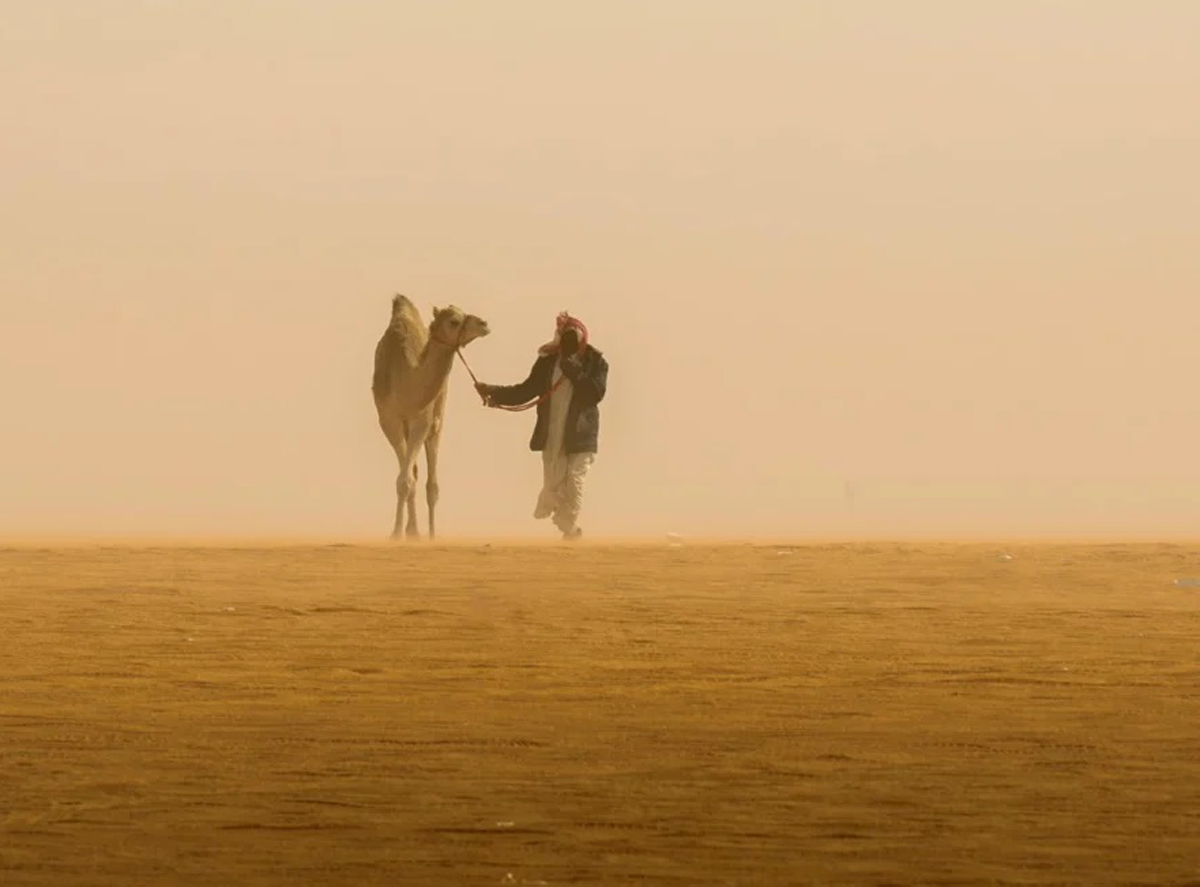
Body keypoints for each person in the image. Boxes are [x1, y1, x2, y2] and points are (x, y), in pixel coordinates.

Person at [476, 312, 608, 541]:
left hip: (580, 435)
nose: (568, 343)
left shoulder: (595, 361)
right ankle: (570, 531)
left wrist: (572, 369)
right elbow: (526, 390)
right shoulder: (547, 362)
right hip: (552, 434)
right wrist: (493, 392)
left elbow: (595, 393)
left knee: (575, 481)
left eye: (571, 338)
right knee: (554, 486)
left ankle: (569, 528)